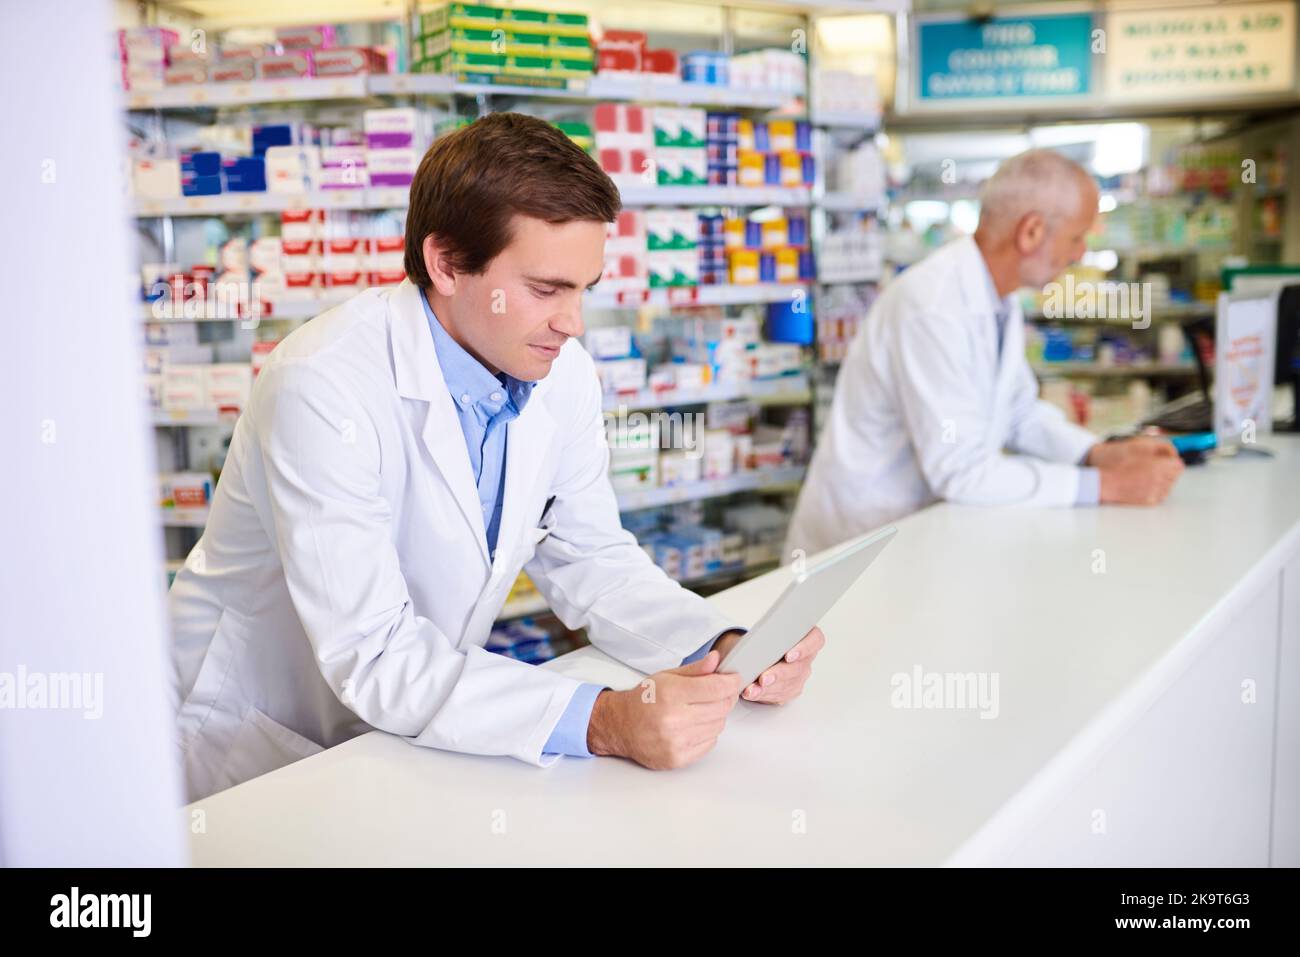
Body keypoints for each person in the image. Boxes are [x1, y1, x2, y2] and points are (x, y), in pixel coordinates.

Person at [169, 112, 824, 802]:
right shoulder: (322, 386)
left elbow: (593, 560)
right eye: (546, 289)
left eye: (584, 289)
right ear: (446, 263)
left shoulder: (559, 371)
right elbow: (376, 651)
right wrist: (603, 720)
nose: (573, 323)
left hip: (411, 734)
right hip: (263, 740)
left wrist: (720, 646)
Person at [787, 149, 1184, 558]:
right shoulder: (933, 305)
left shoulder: (998, 296)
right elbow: (961, 471)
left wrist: (1097, 453)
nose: (1080, 253)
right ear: (1031, 232)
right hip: (859, 546)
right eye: (1076, 237)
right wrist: (1106, 485)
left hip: (920, 537)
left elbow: (1018, 413)